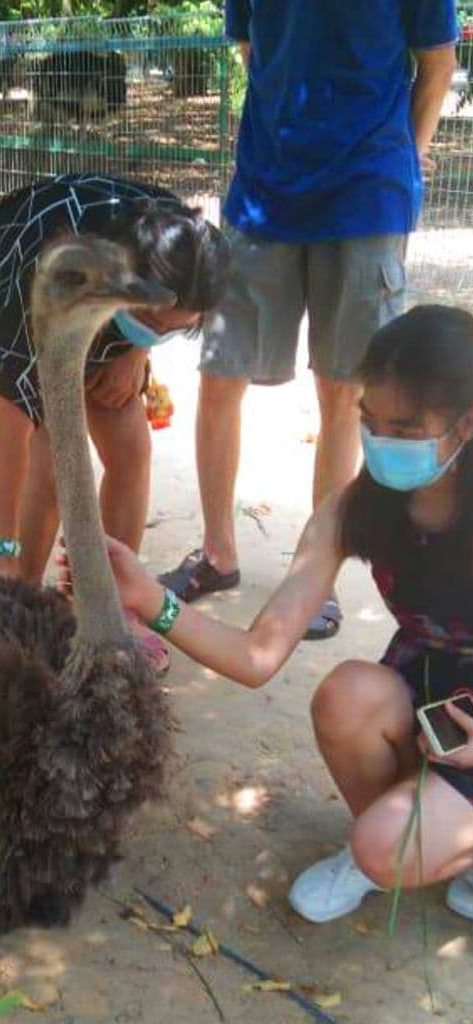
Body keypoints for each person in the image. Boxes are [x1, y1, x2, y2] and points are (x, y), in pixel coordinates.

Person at [71, 305, 473, 923]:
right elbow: (258, 656)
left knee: (383, 848)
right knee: (344, 698)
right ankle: (403, 839)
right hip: (428, 689)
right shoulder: (354, 509)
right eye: (371, 422)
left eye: (406, 426)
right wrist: (148, 598)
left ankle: (427, 843)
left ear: (464, 424)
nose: (382, 442)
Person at [161, 0, 458, 641]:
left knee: (346, 391)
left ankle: (313, 577)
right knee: (219, 374)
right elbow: (251, 49)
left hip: (365, 193)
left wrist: (406, 158)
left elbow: (438, 63)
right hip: (263, 194)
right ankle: (217, 554)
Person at [0, 173, 230, 671]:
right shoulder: (40, 276)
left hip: (106, 325)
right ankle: (24, 606)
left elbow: (164, 314)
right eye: (153, 322)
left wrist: (138, 348)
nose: (164, 333)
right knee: (51, 465)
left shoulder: (178, 241)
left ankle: (112, 607)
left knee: (131, 449)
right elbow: (6, 441)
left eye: (174, 330)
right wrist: (3, 555)